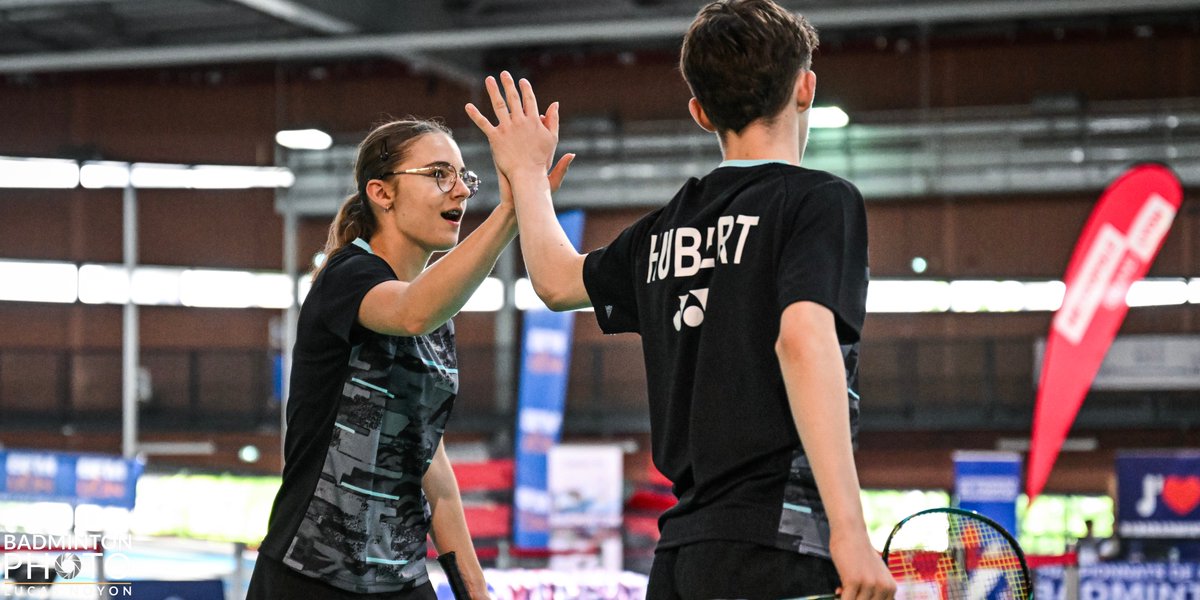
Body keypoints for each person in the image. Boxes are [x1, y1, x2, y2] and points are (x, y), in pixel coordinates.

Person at [465, 1, 897, 598]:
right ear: (806, 87)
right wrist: (850, 532)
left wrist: (528, 176)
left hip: (681, 558)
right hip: (777, 547)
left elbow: (557, 281)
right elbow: (802, 339)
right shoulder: (818, 200)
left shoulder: (664, 229)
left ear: (699, 112)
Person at [248, 118, 570, 599]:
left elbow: (432, 466)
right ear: (382, 192)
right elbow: (411, 311)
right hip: (308, 575)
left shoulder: (441, 317)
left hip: (400, 579)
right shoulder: (347, 278)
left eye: (464, 177)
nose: (460, 190)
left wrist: (475, 591)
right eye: (440, 173)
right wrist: (512, 208)